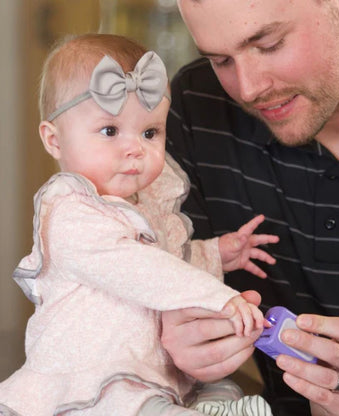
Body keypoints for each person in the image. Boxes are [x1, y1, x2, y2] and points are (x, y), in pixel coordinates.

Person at [0, 33, 279, 416]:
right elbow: (141, 268)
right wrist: (216, 297)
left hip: (142, 371)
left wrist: (215, 252)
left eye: (150, 133)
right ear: (54, 140)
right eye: (110, 131)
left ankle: (216, 407)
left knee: (214, 385)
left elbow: (165, 258)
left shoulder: (144, 207)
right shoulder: (68, 213)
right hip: (90, 377)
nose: (135, 148)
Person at [162, 1, 339, 415]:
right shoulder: (197, 108)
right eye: (221, 59)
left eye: (269, 44)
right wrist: (173, 346)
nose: (248, 89)